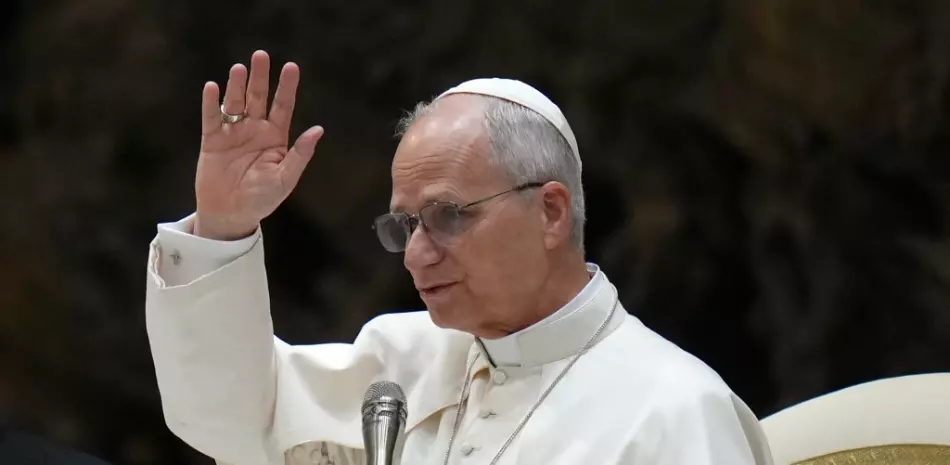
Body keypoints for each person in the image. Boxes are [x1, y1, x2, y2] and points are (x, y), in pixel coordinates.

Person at [144, 50, 774, 465]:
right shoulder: (397, 367)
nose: (416, 255)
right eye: (403, 225)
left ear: (551, 212)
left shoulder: (675, 413)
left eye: (449, 216)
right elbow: (229, 419)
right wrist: (224, 225)